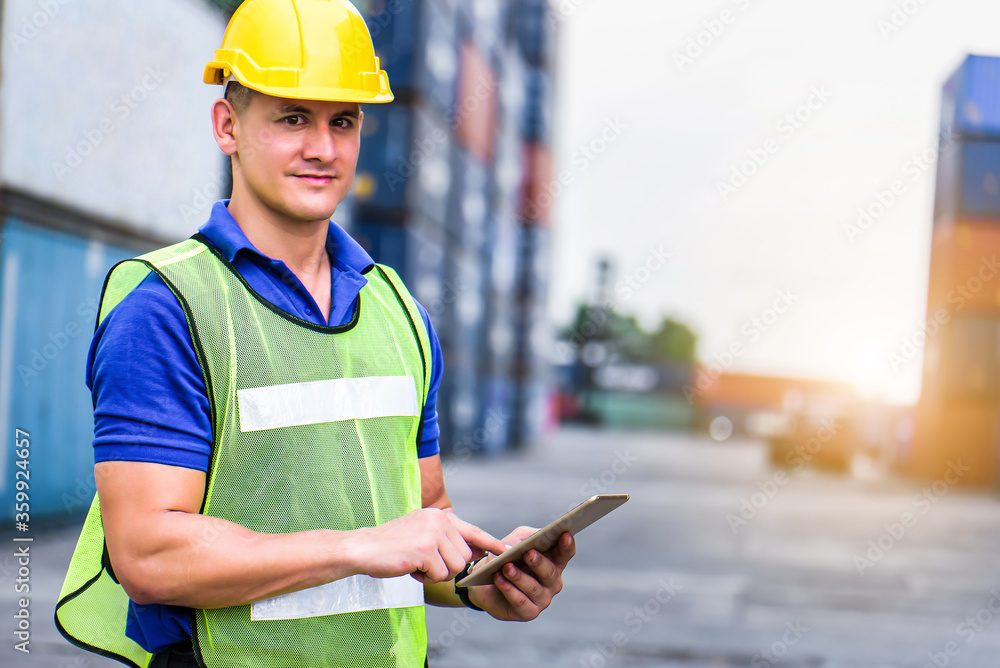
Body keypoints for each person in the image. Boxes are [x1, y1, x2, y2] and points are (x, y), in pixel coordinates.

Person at [54, 1, 575, 666]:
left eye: (344, 121)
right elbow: (151, 555)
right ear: (227, 125)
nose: (322, 148)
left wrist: (483, 582)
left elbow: (423, 525)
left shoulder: (398, 312)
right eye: (293, 118)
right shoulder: (168, 309)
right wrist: (354, 545)